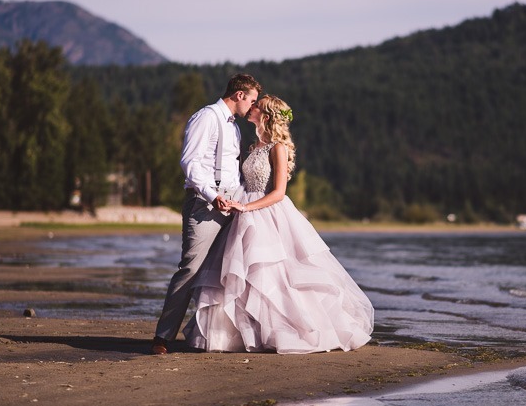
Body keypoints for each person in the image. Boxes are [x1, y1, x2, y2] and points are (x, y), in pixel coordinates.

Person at [182, 95, 374, 353]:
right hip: (242, 210)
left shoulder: (278, 148)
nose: (252, 107)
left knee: (272, 275)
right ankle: (242, 332)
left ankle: (283, 332)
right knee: (242, 276)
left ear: (266, 115)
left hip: (267, 212)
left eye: (256, 105)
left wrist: (246, 207)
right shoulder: (253, 146)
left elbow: (279, 192)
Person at [151, 73, 262, 355]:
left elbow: (231, 171)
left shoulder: (234, 127)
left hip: (233, 204)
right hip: (206, 206)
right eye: (252, 100)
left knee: (232, 270)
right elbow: (190, 163)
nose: (253, 106)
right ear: (239, 95)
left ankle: (223, 335)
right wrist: (214, 197)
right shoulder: (207, 117)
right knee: (191, 269)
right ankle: (162, 338)